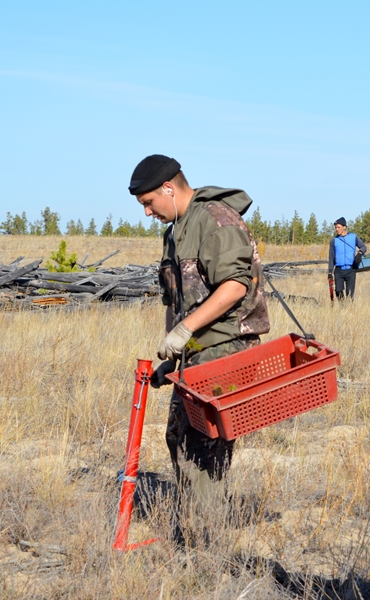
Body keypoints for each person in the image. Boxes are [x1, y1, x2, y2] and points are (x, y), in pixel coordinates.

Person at [128, 154, 269, 538]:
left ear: (169, 189)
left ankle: (204, 538)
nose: (147, 212)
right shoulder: (176, 229)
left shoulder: (215, 221)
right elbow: (184, 299)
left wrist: (182, 331)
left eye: (148, 202)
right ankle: (198, 525)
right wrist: (173, 358)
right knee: (179, 436)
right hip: (196, 352)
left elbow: (234, 287)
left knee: (203, 444)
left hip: (226, 347)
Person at [327, 217, 367, 300]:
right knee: (338, 291)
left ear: (344, 227)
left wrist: (359, 254)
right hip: (338, 271)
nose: (336, 229)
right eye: (335, 227)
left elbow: (363, 247)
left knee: (349, 293)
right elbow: (331, 257)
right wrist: (330, 272)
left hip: (351, 270)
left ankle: (349, 309)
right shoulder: (333, 241)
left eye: (338, 227)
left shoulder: (353, 237)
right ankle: (342, 308)